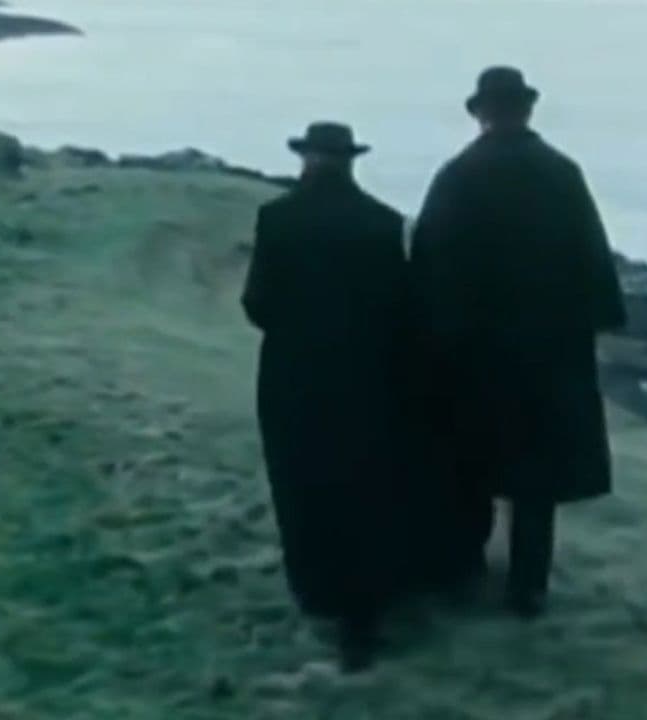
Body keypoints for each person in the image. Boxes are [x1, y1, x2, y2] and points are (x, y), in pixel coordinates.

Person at [410, 67, 627, 617]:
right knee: (536, 480)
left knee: (470, 466)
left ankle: (465, 570)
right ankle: (529, 587)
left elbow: (429, 267)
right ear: (526, 110)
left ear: (482, 113)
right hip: (548, 355)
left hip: (475, 354)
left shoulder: (459, 176)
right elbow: (593, 263)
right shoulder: (561, 174)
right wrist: (591, 325)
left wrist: (430, 335)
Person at [241, 122, 409, 671]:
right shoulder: (382, 223)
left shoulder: (278, 219)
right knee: (363, 491)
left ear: (307, 159)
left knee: (299, 484)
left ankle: (314, 589)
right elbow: (400, 308)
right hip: (366, 378)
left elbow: (258, 304)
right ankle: (363, 611)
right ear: (350, 161)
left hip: (293, 375)